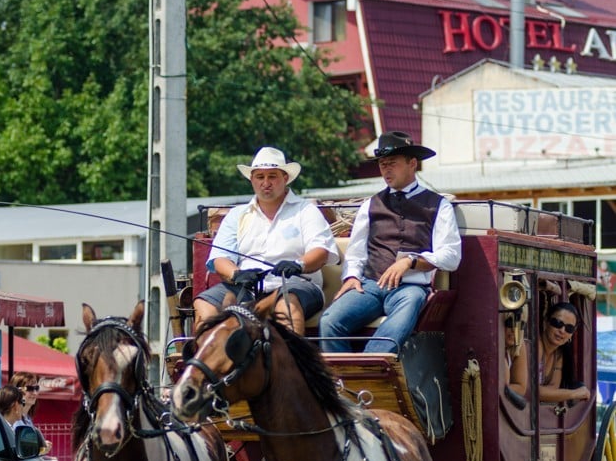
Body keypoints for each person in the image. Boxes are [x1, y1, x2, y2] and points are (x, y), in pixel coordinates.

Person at [319, 131, 461, 354]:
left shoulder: (438, 205)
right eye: (382, 164)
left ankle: (369, 372)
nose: (386, 169)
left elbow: (451, 256)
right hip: (371, 286)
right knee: (329, 322)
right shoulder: (370, 204)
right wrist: (352, 277)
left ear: (412, 163)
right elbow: (356, 252)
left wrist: (410, 262)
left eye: (392, 163)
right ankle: (344, 383)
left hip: (411, 288)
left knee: (405, 310)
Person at [193, 147, 339, 335]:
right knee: (203, 304)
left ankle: (291, 362)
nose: (266, 183)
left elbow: (320, 252)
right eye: (260, 177)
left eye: (272, 176)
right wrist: (237, 274)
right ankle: (209, 363)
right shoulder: (237, 215)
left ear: (285, 178)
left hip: (297, 285)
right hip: (247, 289)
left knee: (287, 303)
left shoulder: (306, 210)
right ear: (252, 180)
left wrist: (298, 265)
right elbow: (220, 258)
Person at [538, 302, 590, 404]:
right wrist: (574, 393)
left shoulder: (559, 354)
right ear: (546, 322)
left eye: (569, 328)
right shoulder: (535, 347)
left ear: (572, 334)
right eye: (557, 323)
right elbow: (531, 391)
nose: (562, 330)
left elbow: (553, 389)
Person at [10, 371, 51, 451]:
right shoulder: (11, 419)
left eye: (36, 388)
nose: (35, 393)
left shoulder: (27, 419)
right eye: (30, 389)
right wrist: (39, 449)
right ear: (17, 390)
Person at [503, 312, 528, 396]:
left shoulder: (519, 344)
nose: (514, 330)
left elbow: (521, 388)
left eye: (520, 325)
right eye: (509, 323)